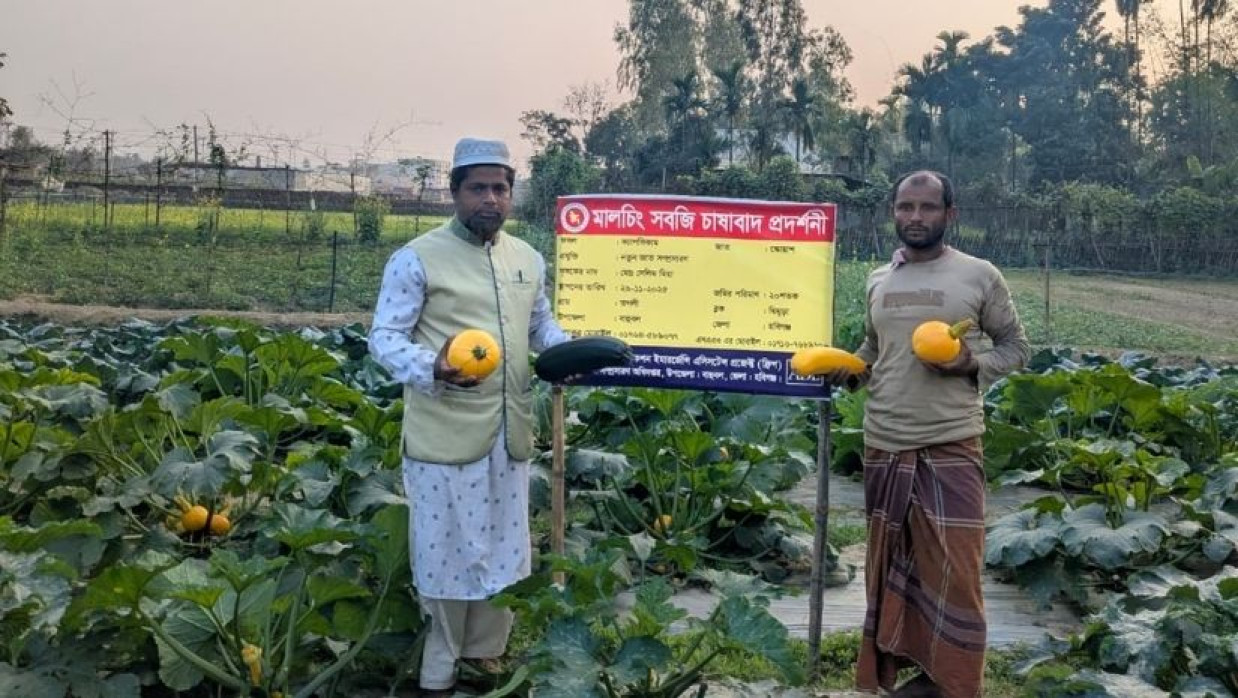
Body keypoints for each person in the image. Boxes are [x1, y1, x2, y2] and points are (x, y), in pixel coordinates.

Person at [368, 137, 570, 697]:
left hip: (509, 434)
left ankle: (486, 656)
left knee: (506, 547)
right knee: (444, 550)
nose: (491, 199)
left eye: (500, 188)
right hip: (444, 434)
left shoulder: (527, 260)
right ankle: (439, 668)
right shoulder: (416, 258)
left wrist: (573, 351)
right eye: (478, 188)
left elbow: (542, 330)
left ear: (512, 195)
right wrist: (431, 365)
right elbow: (383, 338)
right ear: (454, 193)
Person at [833, 171, 1029, 698]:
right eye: (904, 207)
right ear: (893, 212)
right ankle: (912, 673)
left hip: (951, 441)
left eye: (926, 207)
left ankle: (956, 682)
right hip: (882, 441)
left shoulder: (978, 276)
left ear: (950, 214)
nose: (915, 217)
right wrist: (848, 368)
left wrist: (970, 363)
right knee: (894, 566)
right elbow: (874, 350)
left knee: (956, 572)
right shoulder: (879, 279)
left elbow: (1014, 348)